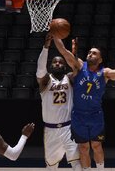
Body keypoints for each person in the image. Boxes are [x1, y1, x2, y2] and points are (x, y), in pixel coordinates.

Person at [52, 36, 115, 171]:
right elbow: (63, 50)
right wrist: (54, 33)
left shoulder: (104, 73)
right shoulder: (79, 66)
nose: (90, 54)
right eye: (89, 52)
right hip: (78, 115)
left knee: (96, 146)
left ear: (100, 59)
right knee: (83, 147)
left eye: (94, 53)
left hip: (95, 115)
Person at [36, 33, 82, 171]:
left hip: (69, 128)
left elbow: (78, 69)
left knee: (77, 164)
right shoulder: (45, 81)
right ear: (51, 66)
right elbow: (40, 70)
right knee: (51, 166)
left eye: (60, 62)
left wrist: (74, 54)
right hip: (51, 130)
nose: (57, 63)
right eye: (55, 62)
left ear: (64, 66)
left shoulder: (69, 78)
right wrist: (46, 47)